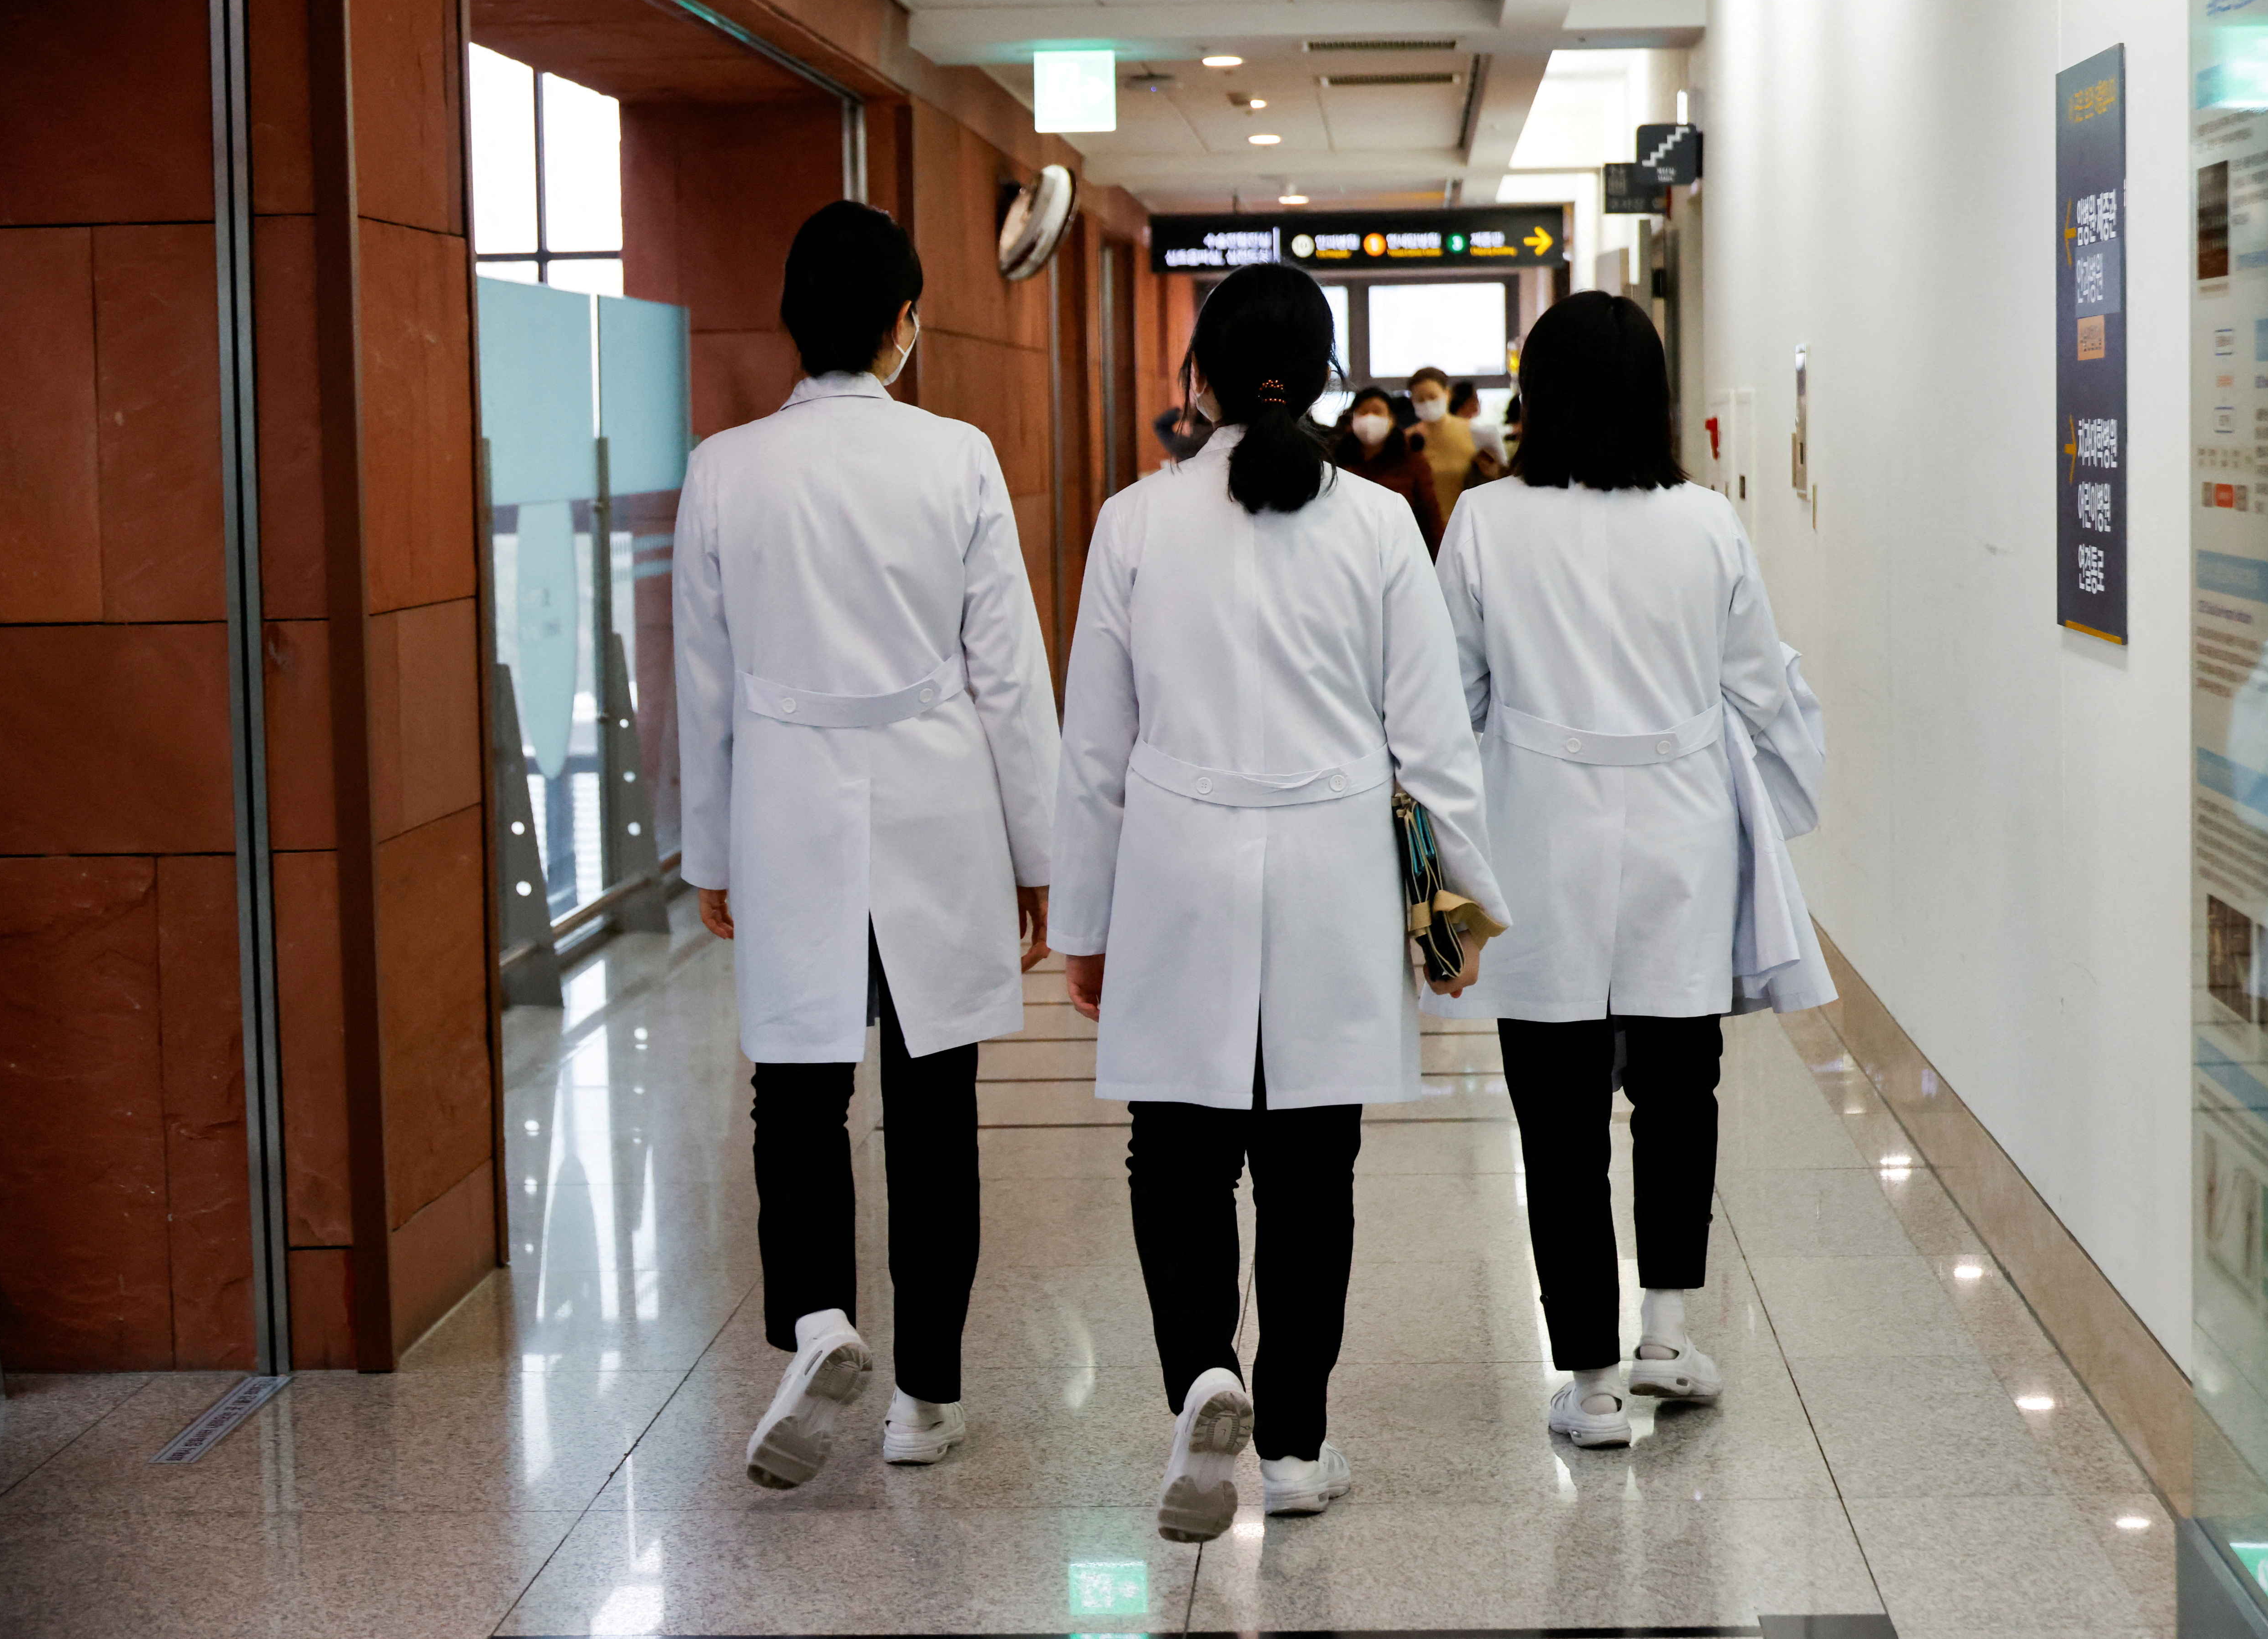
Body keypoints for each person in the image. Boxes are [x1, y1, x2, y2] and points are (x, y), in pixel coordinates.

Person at [1052, 261, 1506, 1543]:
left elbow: (1095, 745)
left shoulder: (1134, 520)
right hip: (1331, 874)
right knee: (1311, 1164)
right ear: (1317, 377)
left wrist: (1084, 926)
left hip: (1178, 871)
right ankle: (1297, 1442)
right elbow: (1432, 745)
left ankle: (1203, 1370)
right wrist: (1455, 913)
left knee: (1178, 1146)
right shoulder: (1375, 524)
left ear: (1200, 377)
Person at [674, 200, 1060, 1490]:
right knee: (933, 1103)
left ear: (793, 321)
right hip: (936, 798)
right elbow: (1005, 673)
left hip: (786, 795)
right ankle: (924, 1400)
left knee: (795, 1089)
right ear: (905, 321)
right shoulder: (955, 456)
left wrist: (708, 849)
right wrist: (1039, 847)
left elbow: (704, 680)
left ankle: (820, 1322)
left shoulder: (725, 466)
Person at [1427, 290, 1816, 1450]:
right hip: (1678, 832)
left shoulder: (1486, 523)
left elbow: (1451, 701)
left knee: (1553, 1116)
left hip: (1534, 831)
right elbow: (1760, 684)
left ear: (1533, 396)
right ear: (1654, 397)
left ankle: (1590, 1383)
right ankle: (1664, 1332)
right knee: (1675, 1090)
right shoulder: (1704, 523)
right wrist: (1781, 792)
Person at [1329, 385, 1443, 554]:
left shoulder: (1411, 459)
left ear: (1391, 419)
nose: (1370, 418)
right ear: (1353, 419)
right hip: (1348, 549)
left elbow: (1429, 517)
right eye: (1363, 413)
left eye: (1377, 412)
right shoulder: (1337, 458)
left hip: (1399, 549)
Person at [1406, 366, 1479, 524]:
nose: (1427, 403)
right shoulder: (1408, 439)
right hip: (1424, 529)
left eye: (1432, 397)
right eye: (1420, 399)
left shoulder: (1472, 431)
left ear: (1447, 394)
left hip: (1466, 524)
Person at [1448, 379, 1505, 488]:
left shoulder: (1475, 429)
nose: (1478, 403)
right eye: (1476, 399)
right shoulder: (1474, 432)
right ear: (1466, 403)